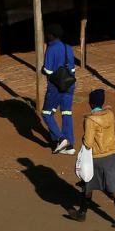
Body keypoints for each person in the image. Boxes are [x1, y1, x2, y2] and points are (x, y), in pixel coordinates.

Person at [71, 89, 115, 228]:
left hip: (97, 156)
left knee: (88, 185)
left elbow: (88, 142)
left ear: (91, 103)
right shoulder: (110, 114)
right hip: (112, 153)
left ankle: (82, 213)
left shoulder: (90, 119)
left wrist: (83, 140)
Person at [41, 23, 77, 154]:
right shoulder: (68, 48)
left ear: (51, 35)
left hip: (55, 87)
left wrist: (42, 70)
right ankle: (69, 145)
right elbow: (72, 69)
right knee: (66, 113)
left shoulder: (51, 49)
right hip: (69, 85)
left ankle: (61, 138)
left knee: (46, 113)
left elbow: (48, 70)